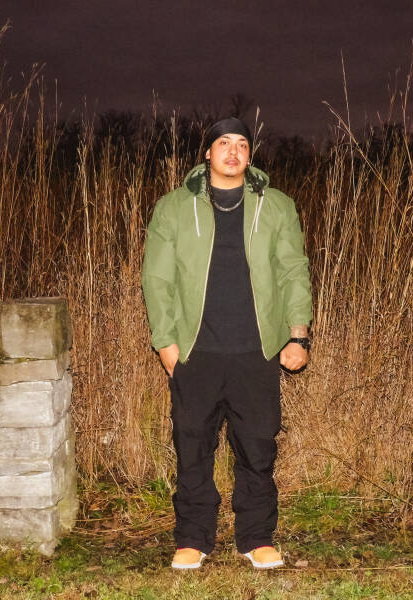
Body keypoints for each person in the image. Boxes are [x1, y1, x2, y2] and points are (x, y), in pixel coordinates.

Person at [141, 117, 312, 570]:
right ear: (207, 153)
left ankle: (256, 537)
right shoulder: (174, 208)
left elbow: (294, 271)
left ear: (249, 155)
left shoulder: (277, 206)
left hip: (257, 351)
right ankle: (192, 538)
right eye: (223, 143)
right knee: (192, 447)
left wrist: (298, 335)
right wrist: (166, 345)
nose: (233, 151)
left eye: (241, 144)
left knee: (257, 447)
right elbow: (156, 279)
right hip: (194, 350)